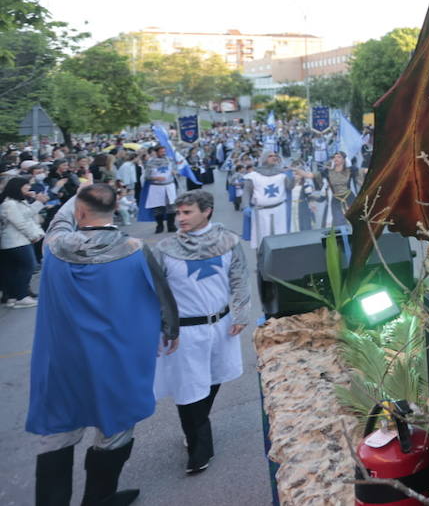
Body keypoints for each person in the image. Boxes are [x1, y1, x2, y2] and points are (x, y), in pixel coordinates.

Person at [29, 183, 179, 506]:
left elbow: (60, 218)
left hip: (63, 363)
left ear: (80, 212)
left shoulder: (53, 248)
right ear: (114, 210)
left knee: (57, 436)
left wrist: (81, 190)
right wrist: (171, 329)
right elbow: (162, 293)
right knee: (116, 431)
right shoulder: (136, 249)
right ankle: (98, 499)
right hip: (116, 361)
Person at [152, 190, 251, 474]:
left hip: (221, 326)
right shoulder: (165, 249)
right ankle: (200, 450)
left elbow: (240, 279)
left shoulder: (229, 242)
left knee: (211, 380)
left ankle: (196, 429)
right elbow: (156, 293)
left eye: (187, 212)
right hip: (185, 331)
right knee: (188, 389)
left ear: (206, 211)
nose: (180, 218)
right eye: (178, 213)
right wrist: (164, 328)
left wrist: (242, 313)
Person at [1, 176, 44, 306]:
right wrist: (33, 236)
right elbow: (20, 223)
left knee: (15, 269)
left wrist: (36, 201)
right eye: (26, 186)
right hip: (16, 241)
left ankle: (13, 296)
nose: (28, 188)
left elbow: (28, 214)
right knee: (28, 267)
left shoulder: (17, 201)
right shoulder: (9, 204)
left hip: (19, 240)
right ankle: (21, 296)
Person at [241, 152, 292, 249]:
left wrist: (292, 177)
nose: (274, 157)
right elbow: (247, 192)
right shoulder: (253, 175)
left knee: (281, 237)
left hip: (280, 209)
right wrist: (246, 206)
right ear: (264, 158)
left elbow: (290, 187)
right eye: (270, 156)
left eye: (275, 156)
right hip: (261, 211)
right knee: (262, 238)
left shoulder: (282, 174)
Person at [141, 145, 178, 233]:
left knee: (171, 207)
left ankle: (171, 226)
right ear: (156, 152)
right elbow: (147, 176)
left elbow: (175, 170)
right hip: (156, 187)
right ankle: (159, 226)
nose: (163, 153)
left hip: (169, 186)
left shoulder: (169, 160)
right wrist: (156, 178)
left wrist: (174, 172)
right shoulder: (151, 162)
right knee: (158, 208)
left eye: (164, 151)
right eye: (161, 151)